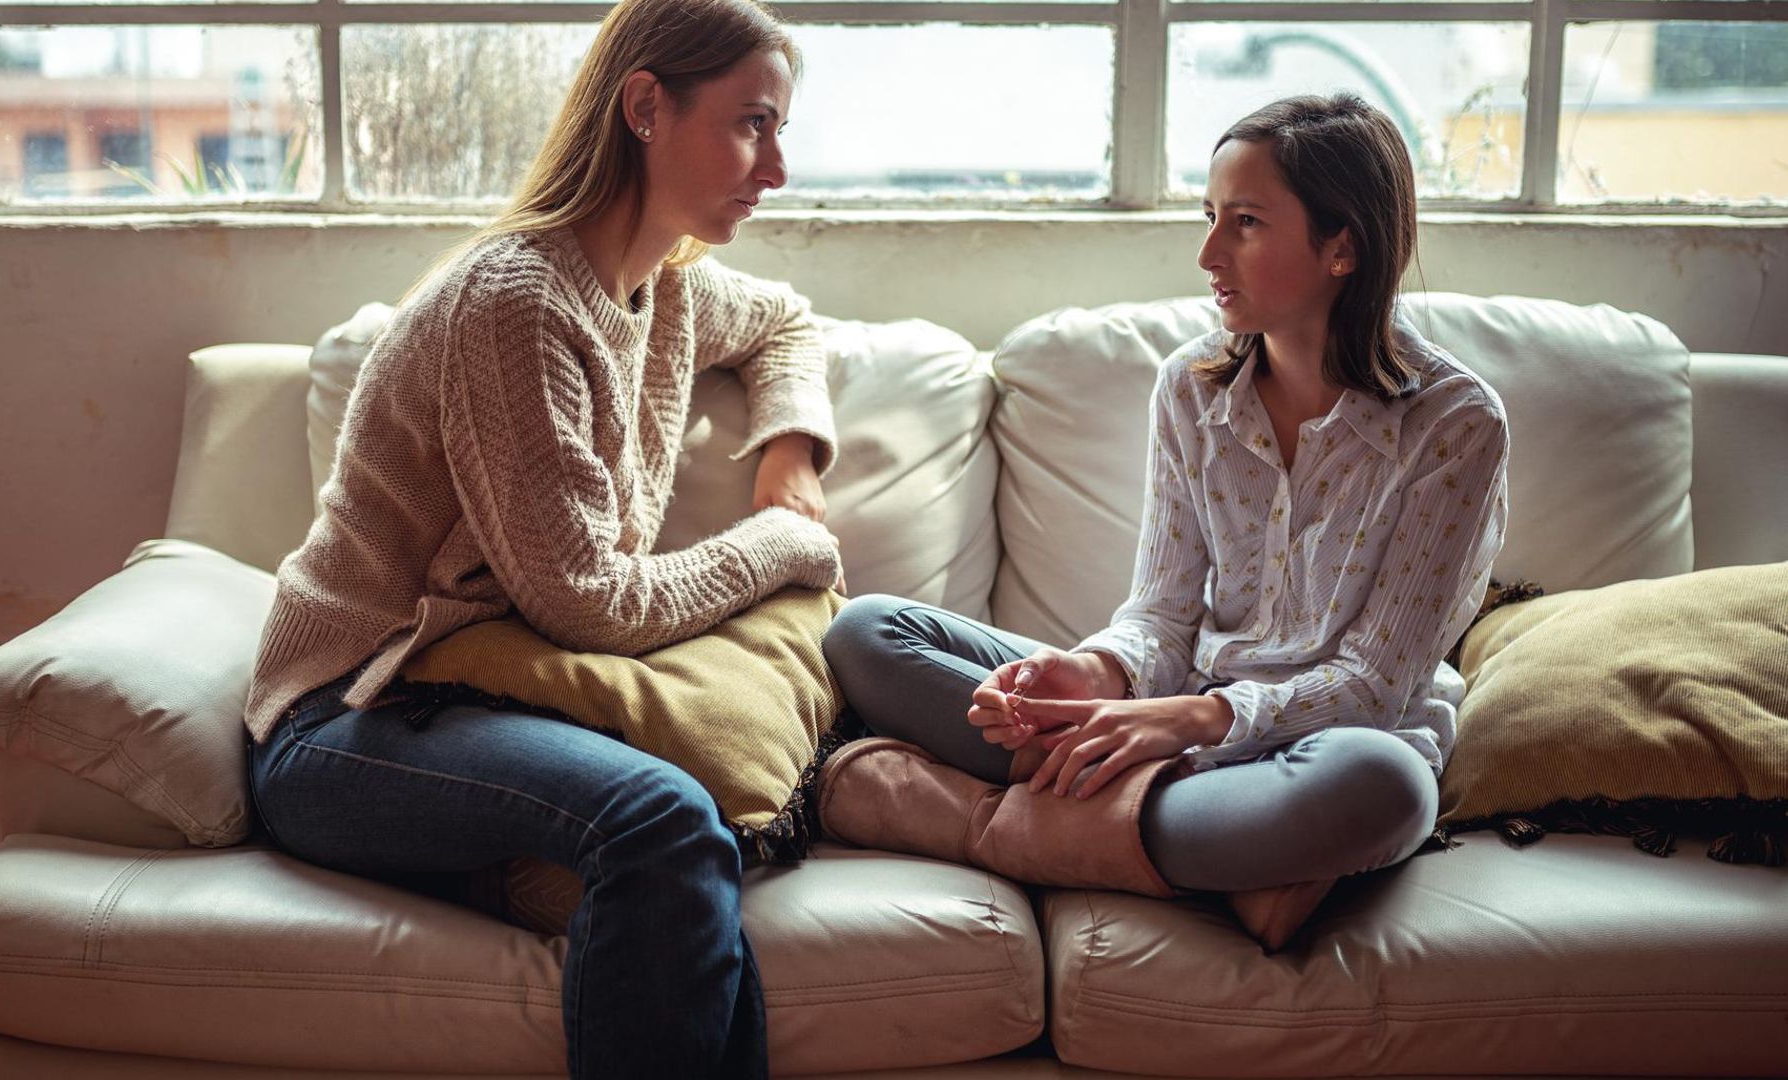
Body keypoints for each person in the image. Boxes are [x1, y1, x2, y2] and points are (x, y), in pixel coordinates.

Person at [243, 1, 841, 1075]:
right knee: (663, 818)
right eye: (754, 124)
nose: (778, 166)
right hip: (350, 712)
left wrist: (788, 455)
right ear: (646, 106)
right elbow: (588, 602)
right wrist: (783, 544)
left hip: (489, 692)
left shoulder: (668, 289)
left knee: (686, 842)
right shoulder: (516, 303)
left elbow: (789, 322)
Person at [817, 93, 1510, 952]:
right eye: (1210, 216)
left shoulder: (1455, 424)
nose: (1208, 253)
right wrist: (1096, 673)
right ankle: (1205, 853)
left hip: (1326, 743)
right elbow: (1163, 613)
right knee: (867, 631)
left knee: (1384, 790)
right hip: (1169, 723)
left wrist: (1188, 723)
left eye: (1246, 223)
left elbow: (1374, 684)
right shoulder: (1192, 388)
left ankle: (981, 820)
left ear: (1345, 246)